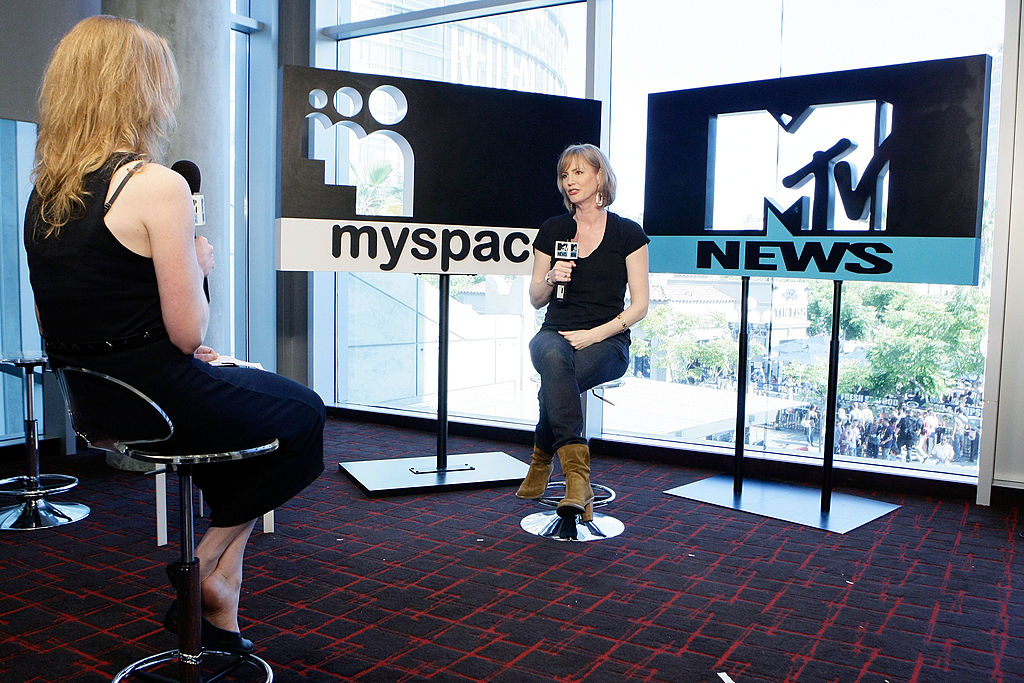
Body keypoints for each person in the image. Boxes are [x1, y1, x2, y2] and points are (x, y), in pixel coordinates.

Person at [23, 16, 325, 654]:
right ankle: (211, 567)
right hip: (162, 394)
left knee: (240, 419)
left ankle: (224, 606)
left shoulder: (46, 195)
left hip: (98, 401)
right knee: (302, 414)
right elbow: (188, 333)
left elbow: (66, 318)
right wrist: (202, 266)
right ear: (137, 89)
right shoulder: (157, 184)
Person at [514, 143, 649, 518]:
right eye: (565, 174)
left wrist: (595, 334)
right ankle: (578, 480)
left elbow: (640, 306)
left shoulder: (627, 233)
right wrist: (551, 275)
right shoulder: (553, 229)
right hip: (554, 333)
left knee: (557, 382)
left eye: (578, 172)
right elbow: (536, 299)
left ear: (599, 176)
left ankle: (542, 460)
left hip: (608, 340)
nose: (570, 181)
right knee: (556, 357)